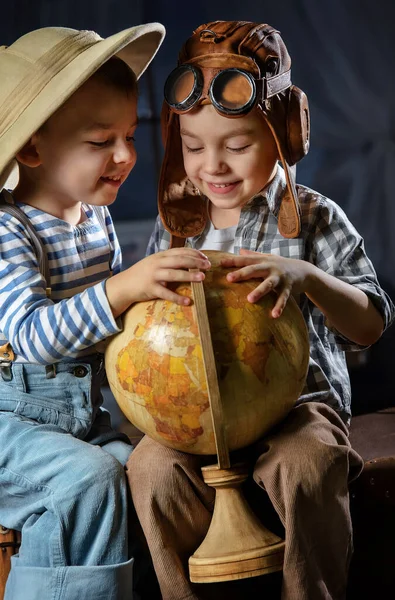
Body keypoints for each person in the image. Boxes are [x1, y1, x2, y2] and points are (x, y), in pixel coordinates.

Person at [126, 20, 395, 600]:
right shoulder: (178, 226)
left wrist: (308, 277)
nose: (213, 166)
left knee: (305, 467)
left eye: (238, 145)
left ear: (284, 135)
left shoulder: (318, 217)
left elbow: (371, 324)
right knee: (149, 468)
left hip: (298, 408)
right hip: (195, 420)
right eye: (194, 146)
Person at [0, 24, 212, 600]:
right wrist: (123, 288)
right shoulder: (8, 230)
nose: (125, 156)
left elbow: (120, 332)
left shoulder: (95, 221)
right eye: (100, 141)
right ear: (33, 148)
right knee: (85, 481)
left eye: (127, 135)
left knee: (148, 470)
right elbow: (33, 337)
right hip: (11, 427)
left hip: (79, 422)